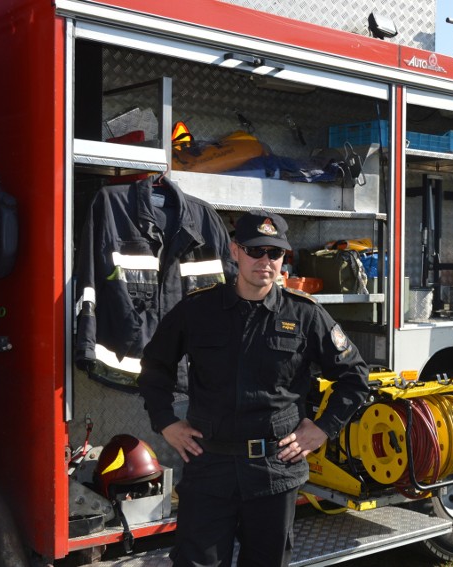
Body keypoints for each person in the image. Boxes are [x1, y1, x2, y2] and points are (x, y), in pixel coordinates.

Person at [137, 210, 370, 566]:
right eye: (255, 250)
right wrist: (166, 422)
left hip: (274, 471)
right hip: (209, 466)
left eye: (274, 253)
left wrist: (322, 429)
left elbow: (354, 375)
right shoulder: (198, 309)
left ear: (283, 260)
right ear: (235, 251)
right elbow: (155, 366)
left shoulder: (305, 314)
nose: (265, 261)